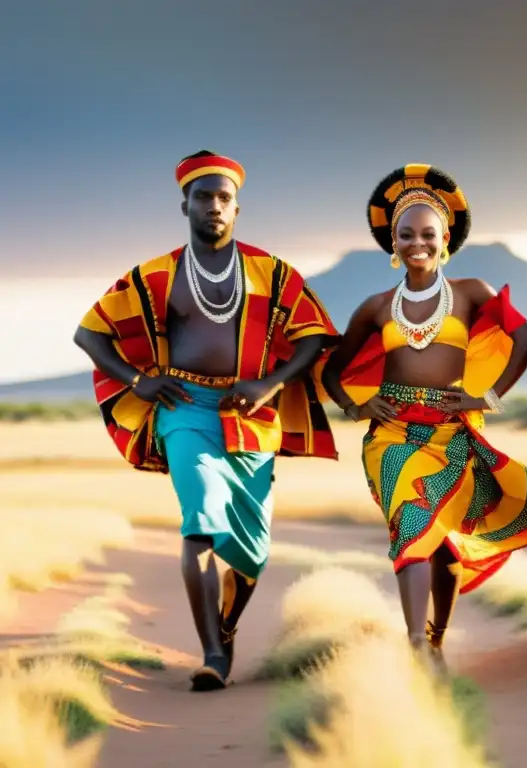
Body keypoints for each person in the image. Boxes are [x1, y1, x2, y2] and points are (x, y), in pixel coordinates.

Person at [73, 150, 339, 691]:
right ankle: (212, 655)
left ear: (238, 208)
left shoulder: (271, 271)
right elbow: (90, 332)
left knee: (252, 551)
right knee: (202, 516)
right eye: (203, 197)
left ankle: (225, 627)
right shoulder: (155, 275)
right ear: (185, 205)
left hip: (250, 414)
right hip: (182, 408)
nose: (213, 206)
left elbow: (314, 335)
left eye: (224, 198)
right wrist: (137, 380)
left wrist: (270, 383)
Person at [320, 163, 527, 674]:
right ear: (392, 242)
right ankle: (415, 648)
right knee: (412, 524)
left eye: (428, 234)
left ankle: (435, 638)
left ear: (445, 239)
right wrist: (356, 406)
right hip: (390, 436)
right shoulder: (374, 307)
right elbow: (333, 372)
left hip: (454, 434)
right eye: (406, 234)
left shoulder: (472, 291)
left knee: (444, 548)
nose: (418, 243)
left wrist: (487, 398)